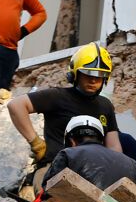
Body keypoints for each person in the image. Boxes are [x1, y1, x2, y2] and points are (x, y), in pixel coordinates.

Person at [7, 44, 122, 191]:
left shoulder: (105, 106)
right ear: (75, 74)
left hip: (91, 174)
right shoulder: (58, 96)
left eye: (99, 76)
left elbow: (114, 146)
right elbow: (16, 105)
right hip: (55, 168)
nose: (93, 80)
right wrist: (36, 143)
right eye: (87, 74)